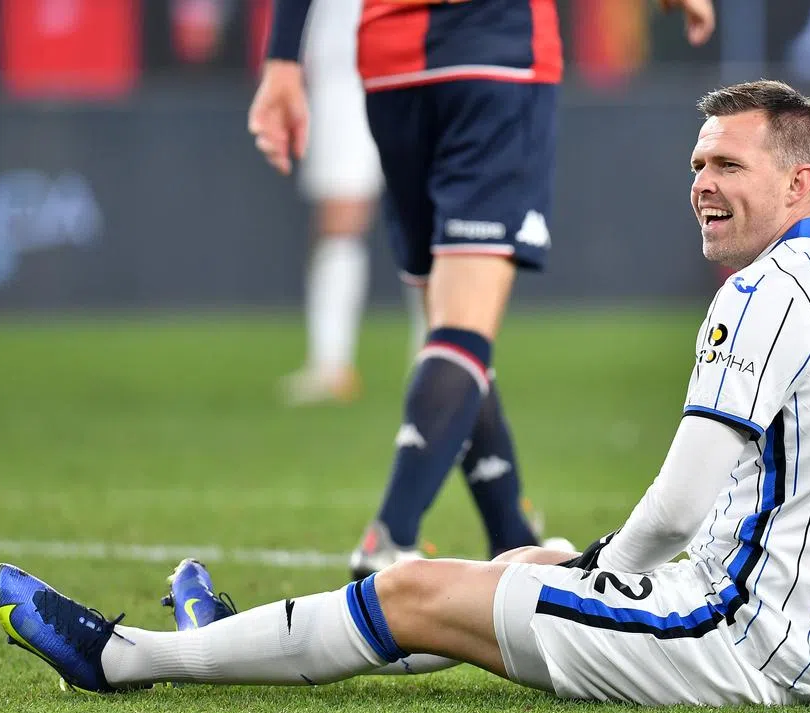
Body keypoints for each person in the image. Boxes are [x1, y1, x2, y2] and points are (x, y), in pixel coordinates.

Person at [0, 79, 810, 706]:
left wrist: (603, 573)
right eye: (696, 165)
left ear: (801, 180)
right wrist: (574, 566)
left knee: (415, 590)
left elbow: (678, 511)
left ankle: (124, 660)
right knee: (526, 558)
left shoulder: (764, 292)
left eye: (728, 166)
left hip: (741, 640)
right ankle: (231, 642)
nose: (701, 185)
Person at [250, 0, 717, 577]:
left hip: (391, 66)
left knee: (453, 331)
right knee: (462, 328)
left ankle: (511, 536)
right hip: (494, 52)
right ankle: (390, 536)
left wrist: (281, 61)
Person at [281, 0, 426, 406]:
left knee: (423, 209)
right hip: (343, 55)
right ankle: (330, 364)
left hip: (417, 50)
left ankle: (435, 360)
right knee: (340, 211)